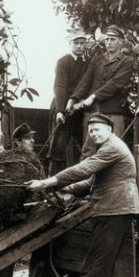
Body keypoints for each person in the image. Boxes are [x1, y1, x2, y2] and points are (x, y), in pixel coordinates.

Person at [27, 113, 139, 277]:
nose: (94, 133)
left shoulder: (112, 148)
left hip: (114, 210)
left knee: (93, 268)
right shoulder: (107, 150)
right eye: (91, 131)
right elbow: (90, 181)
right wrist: (66, 189)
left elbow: (84, 169)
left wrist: (48, 182)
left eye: (98, 129)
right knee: (103, 268)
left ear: (110, 129)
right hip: (115, 210)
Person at [0, 124, 53, 277]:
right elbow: (11, 191)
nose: (33, 141)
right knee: (8, 252)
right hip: (15, 214)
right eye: (28, 138)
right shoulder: (12, 162)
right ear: (18, 142)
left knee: (44, 244)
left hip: (33, 212)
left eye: (32, 138)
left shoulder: (32, 159)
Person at [69, 25, 135, 155]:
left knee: (114, 151)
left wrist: (93, 96)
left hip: (113, 112)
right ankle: (87, 176)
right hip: (93, 112)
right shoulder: (97, 59)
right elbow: (86, 80)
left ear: (121, 41)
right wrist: (74, 99)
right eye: (107, 39)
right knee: (88, 151)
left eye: (113, 39)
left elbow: (116, 84)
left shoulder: (127, 61)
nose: (109, 42)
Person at [46, 30, 90, 175]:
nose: (79, 46)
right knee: (57, 147)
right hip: (63, 106)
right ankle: (51, 183)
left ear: (86, 44)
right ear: (70, 44)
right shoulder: (63, 62)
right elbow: (60, 87)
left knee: (84, 145)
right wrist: (59, 111)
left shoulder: (89, 62)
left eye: (82, 43)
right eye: (76, 43)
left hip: (79, 109)